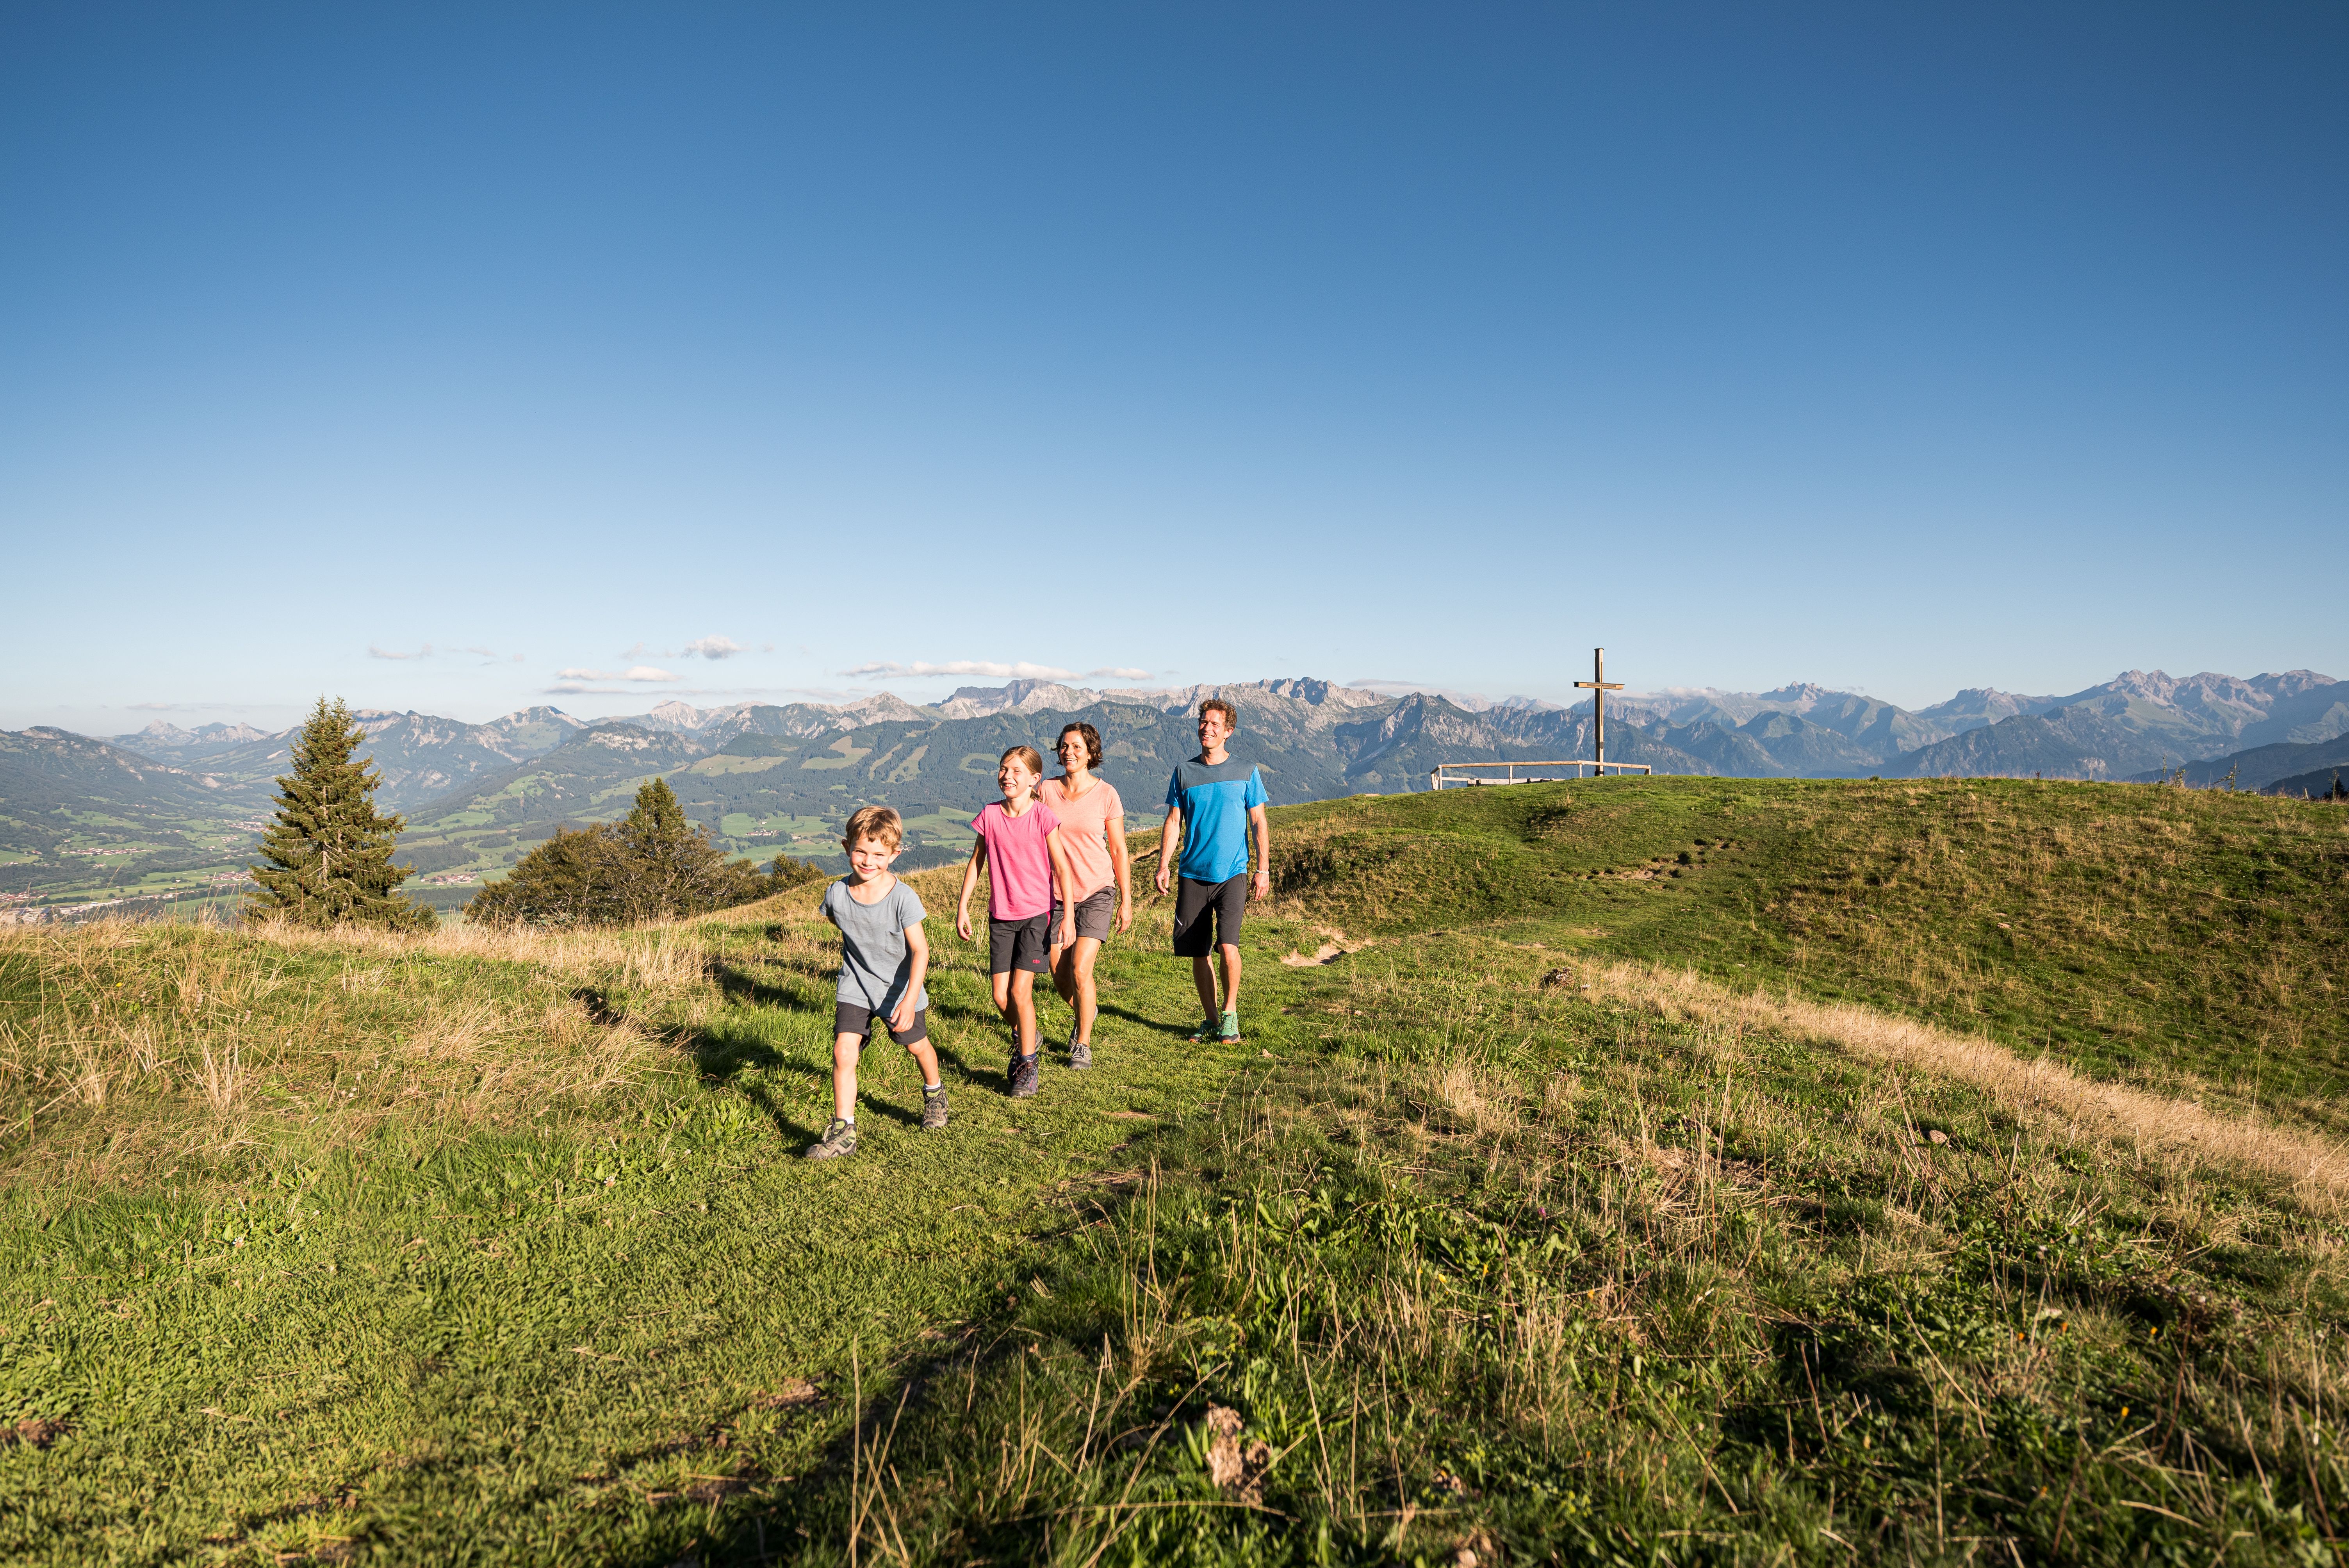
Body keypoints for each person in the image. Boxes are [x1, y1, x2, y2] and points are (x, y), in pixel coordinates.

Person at [806, 805, 942, 1161]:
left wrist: (910, 1000)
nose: (868, 861)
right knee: (843, 1052)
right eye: (861, 851)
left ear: (895, 854)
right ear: (846, 846)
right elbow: (845, 927)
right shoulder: (835, 894)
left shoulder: (903, 898)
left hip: (898, 991)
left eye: (879, 854)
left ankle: (935, 1093)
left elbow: (921, 951)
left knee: (917, 1047)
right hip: (854, 985)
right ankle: (843, 1130)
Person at [957, 745, 1078, 1098]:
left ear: (1034, 780)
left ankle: (1027, 1063)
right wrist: (963, 907)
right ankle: (1030, 1034)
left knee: (1020, 992)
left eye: (1016, 772)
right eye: (1003, 769)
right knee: (999, 996)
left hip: (1037, 917)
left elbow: (1061, 868)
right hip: (1000, 918)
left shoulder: (1043, 816)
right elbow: (976, 862)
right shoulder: (990, 815)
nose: (1007, 776)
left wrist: (1068, 916)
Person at [1154, 697, 1270, 1045]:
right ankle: (1211, 1019)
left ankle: (1230, 1015)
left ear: (1228, 732)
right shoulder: (1184, 772)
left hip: (1233, 873)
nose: (1206, 728)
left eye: (1215, 724)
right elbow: (1174, 821)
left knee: (1228, 945)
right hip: (1192, 873)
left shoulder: (1247, 771)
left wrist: (1263, 869)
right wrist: (1164, 864)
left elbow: (1259, 822)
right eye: (1204, 722)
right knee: (1199, 952)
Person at [1040, 722, 1132, 1069]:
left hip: (1097, 890)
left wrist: (1127, 900)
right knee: (1058, 973)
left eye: (1077, 747)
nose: (1069, 753)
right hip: (1056, 894)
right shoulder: (1047, 791)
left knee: (1080, 970)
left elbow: (1120, 850)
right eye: (1064, 746)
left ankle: (1083, 1042)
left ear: (1092, 753)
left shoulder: (1107, 794)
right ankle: (1087, 1010)